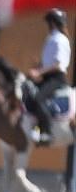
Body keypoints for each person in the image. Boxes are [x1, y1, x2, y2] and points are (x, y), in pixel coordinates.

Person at [28, 8, 71, 146]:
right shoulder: (51, 38)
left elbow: (58, 65)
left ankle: (46, 132)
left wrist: (39, 72)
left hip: (57, 79)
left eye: (49, 22)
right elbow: (48, 62)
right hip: (47, 77)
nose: (48, 25)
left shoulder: (61, 40)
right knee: (26, 92)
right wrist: (38, 67)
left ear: (53, 22)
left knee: (38, 98)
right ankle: (34, 128)